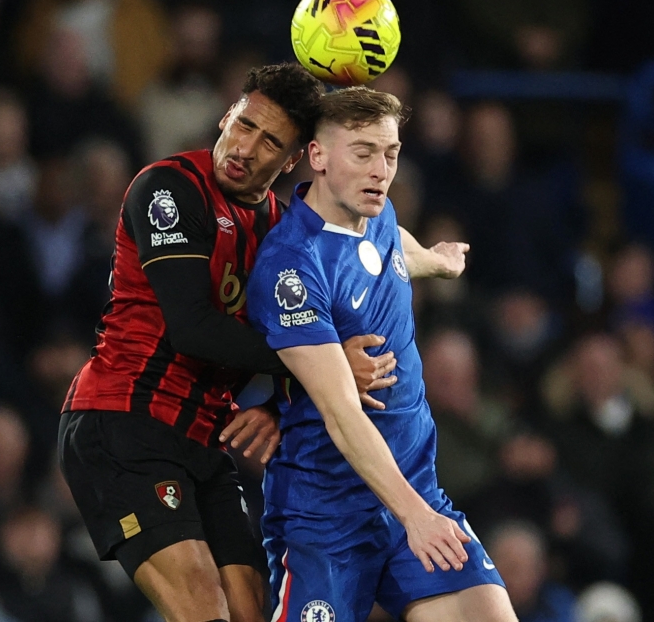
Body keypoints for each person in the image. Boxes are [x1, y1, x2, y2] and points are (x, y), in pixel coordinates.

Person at [59, 64, 440, 622]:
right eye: (243, 125)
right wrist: (325, 367)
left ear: (292, 160)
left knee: (248, 612)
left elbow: (371, 250)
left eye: (270, 142)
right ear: (226, 117)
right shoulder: (169, 188)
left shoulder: (282, 233)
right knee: (201, 607)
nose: (244, 148)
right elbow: (193, 327)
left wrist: (278, 408)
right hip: (125, 423)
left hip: (207, 440)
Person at [247, 87, 517, 621]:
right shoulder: (291, 269)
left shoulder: (378, 212)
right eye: (363, 152)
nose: (381, 171)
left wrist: (433, 261)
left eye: (390, 153)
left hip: (414, 491)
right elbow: (343, 412)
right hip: (326, 517)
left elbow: (390, 247)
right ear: (318, 156)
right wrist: (417, 518)